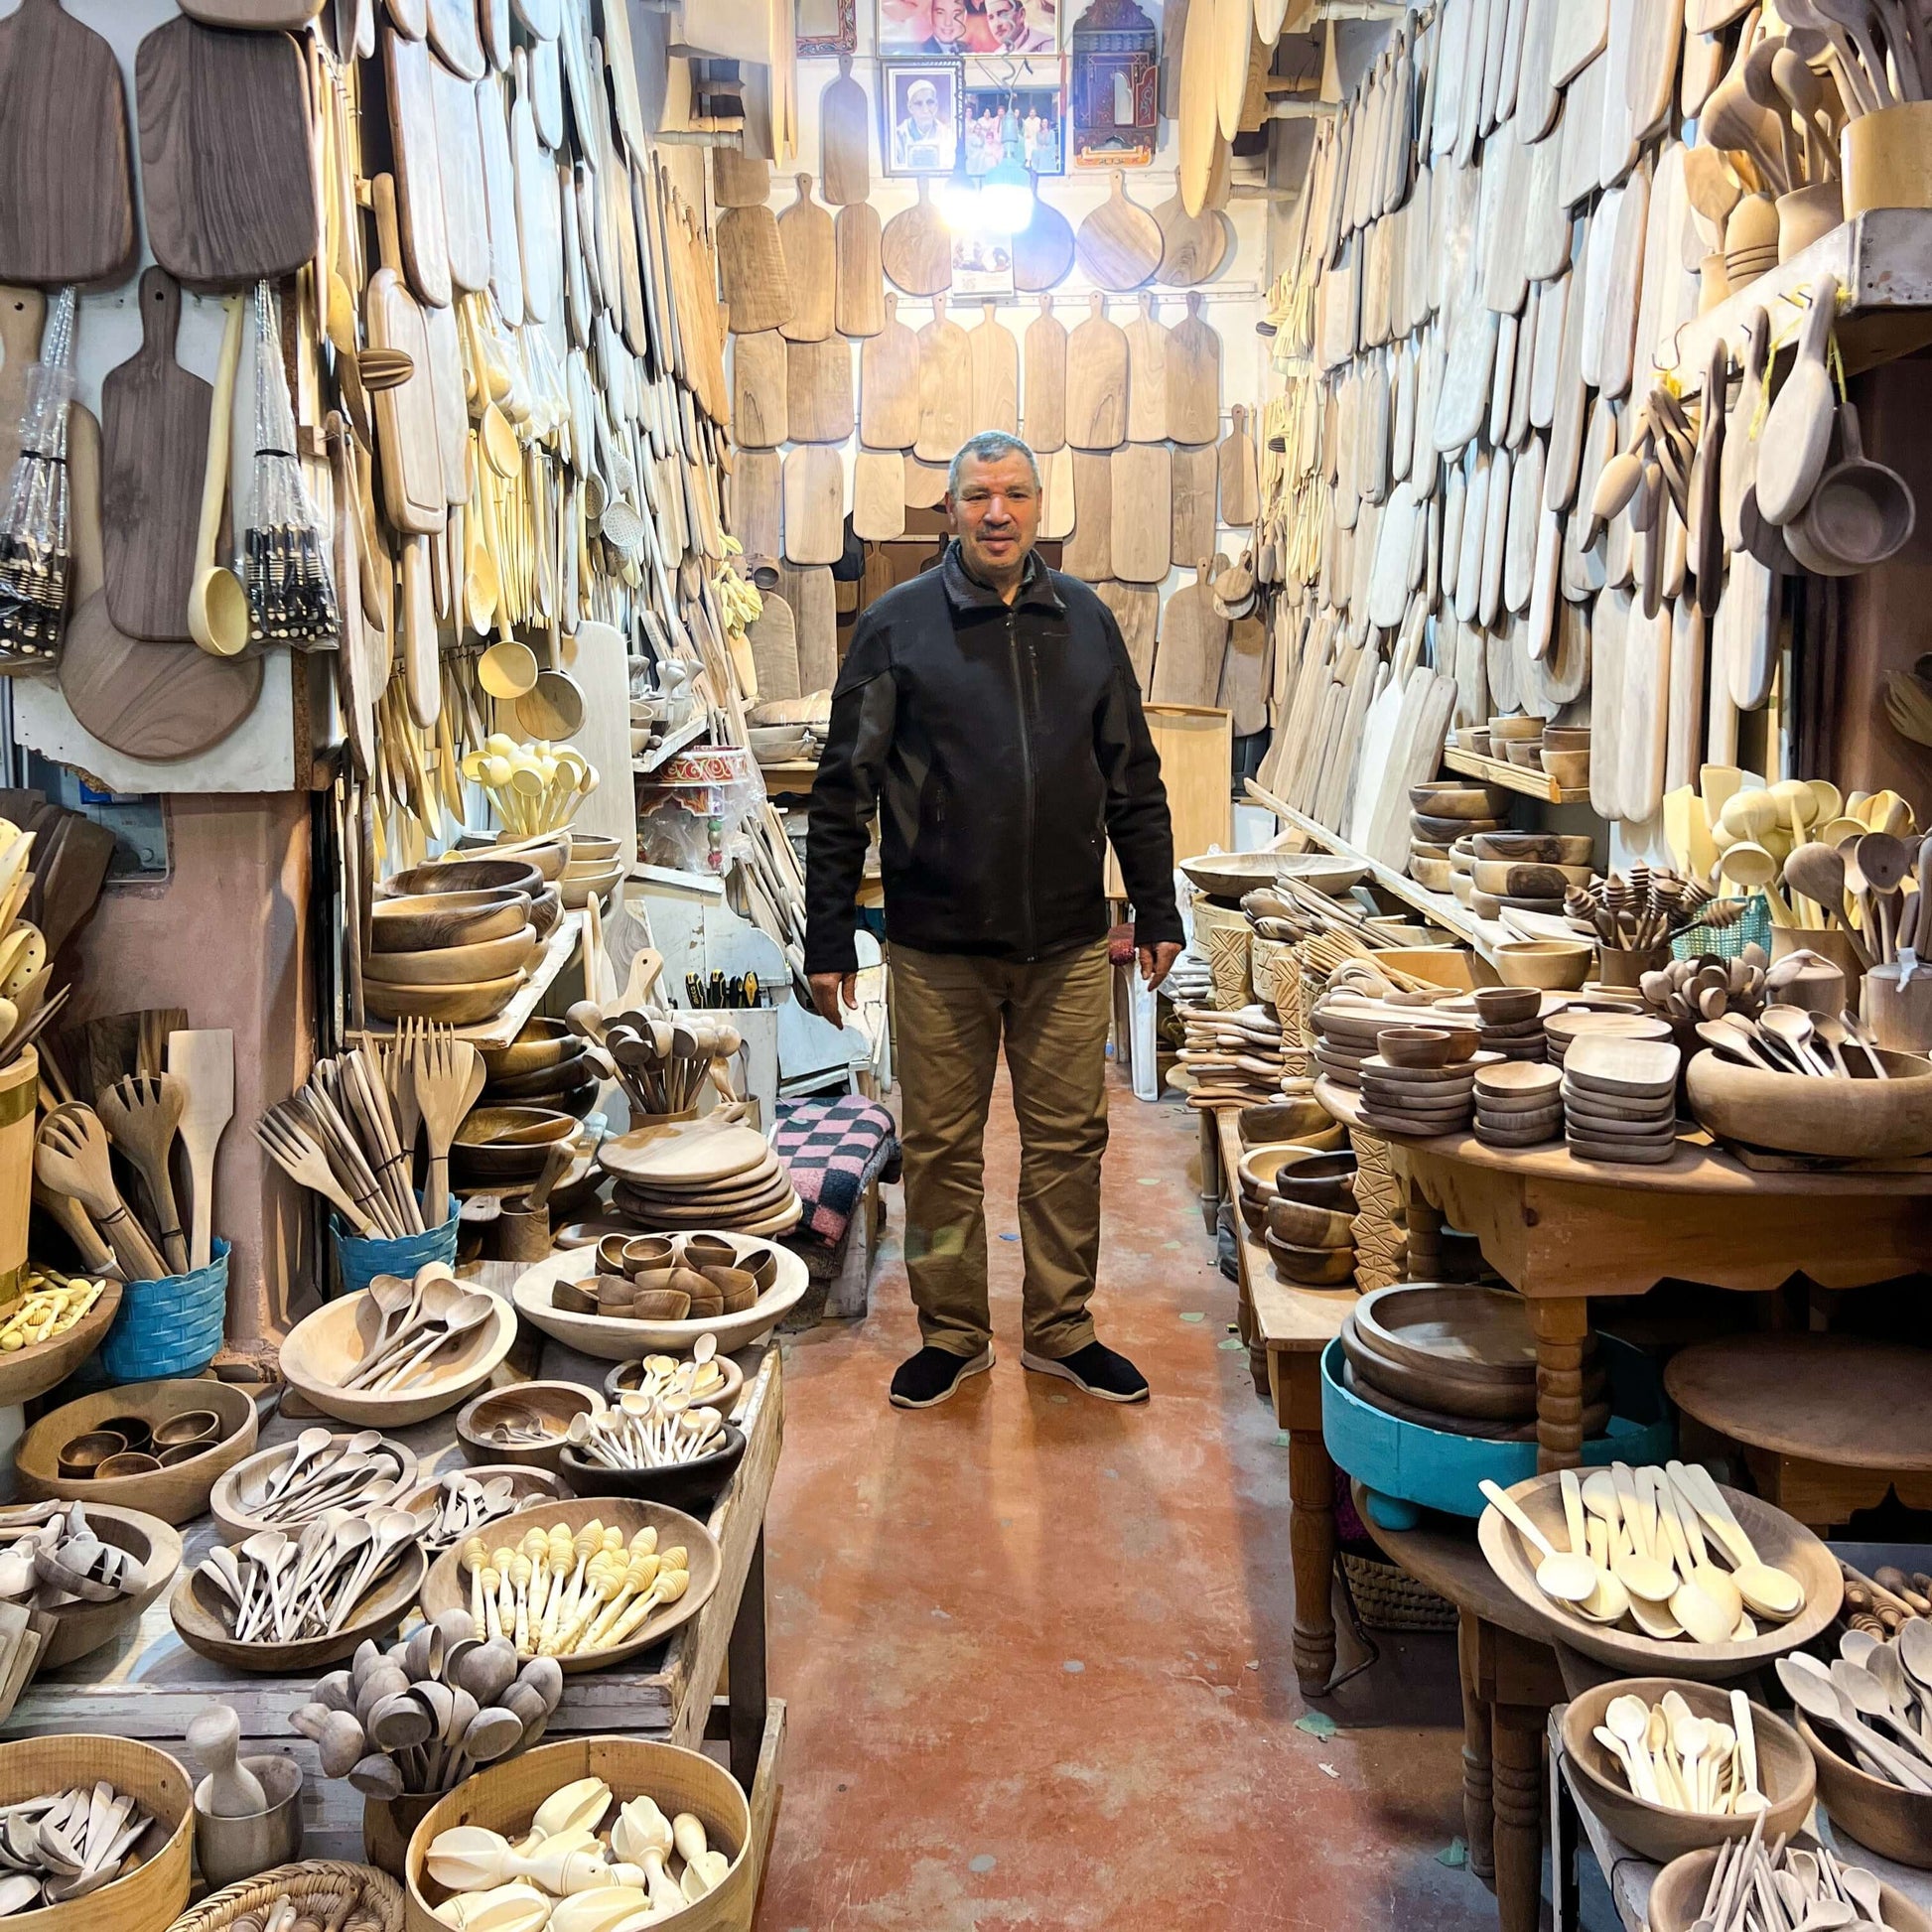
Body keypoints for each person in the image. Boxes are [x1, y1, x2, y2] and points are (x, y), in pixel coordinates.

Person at [805, 432, 1183, 1411]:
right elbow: (843, 787)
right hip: (935, 951)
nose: (997, 512)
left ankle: (1059, 1329)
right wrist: (826, 930)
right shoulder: (895, 627)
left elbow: (1133, 778)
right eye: (977, 495)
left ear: (1037, 504)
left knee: (1067, 1149)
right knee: (939, 1156)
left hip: (1063, 945)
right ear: (949, 510)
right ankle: (952, 1333)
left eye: (1014, 493)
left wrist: (1156, 903)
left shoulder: (1087, 625)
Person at [893, 78, 955, 172]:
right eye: (918, 103)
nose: (925, 110)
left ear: (936, 105)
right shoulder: (898, 136)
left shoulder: (947, 134)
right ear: (910, 107)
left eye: (930, 102)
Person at [986, 0, 1054, 53]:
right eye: (991, 17)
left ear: (1021, 15)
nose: (996, 24)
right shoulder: (997, 54)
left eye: (1003, 14)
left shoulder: (1048, 48)